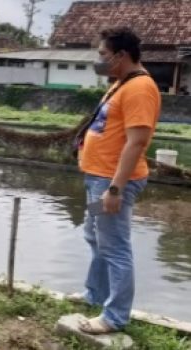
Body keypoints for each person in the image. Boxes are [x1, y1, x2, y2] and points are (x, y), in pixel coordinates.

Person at [77, 27, 160, 334]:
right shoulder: (122, 83)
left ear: (121, 55)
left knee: (114, 247)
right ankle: (95, 295)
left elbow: (137, 142)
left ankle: (114, 317)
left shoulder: (140, 89)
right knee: (95, 236)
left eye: (102, 54)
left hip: (112, 182)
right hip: (98, 178)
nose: (99, 60)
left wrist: (115, 188)